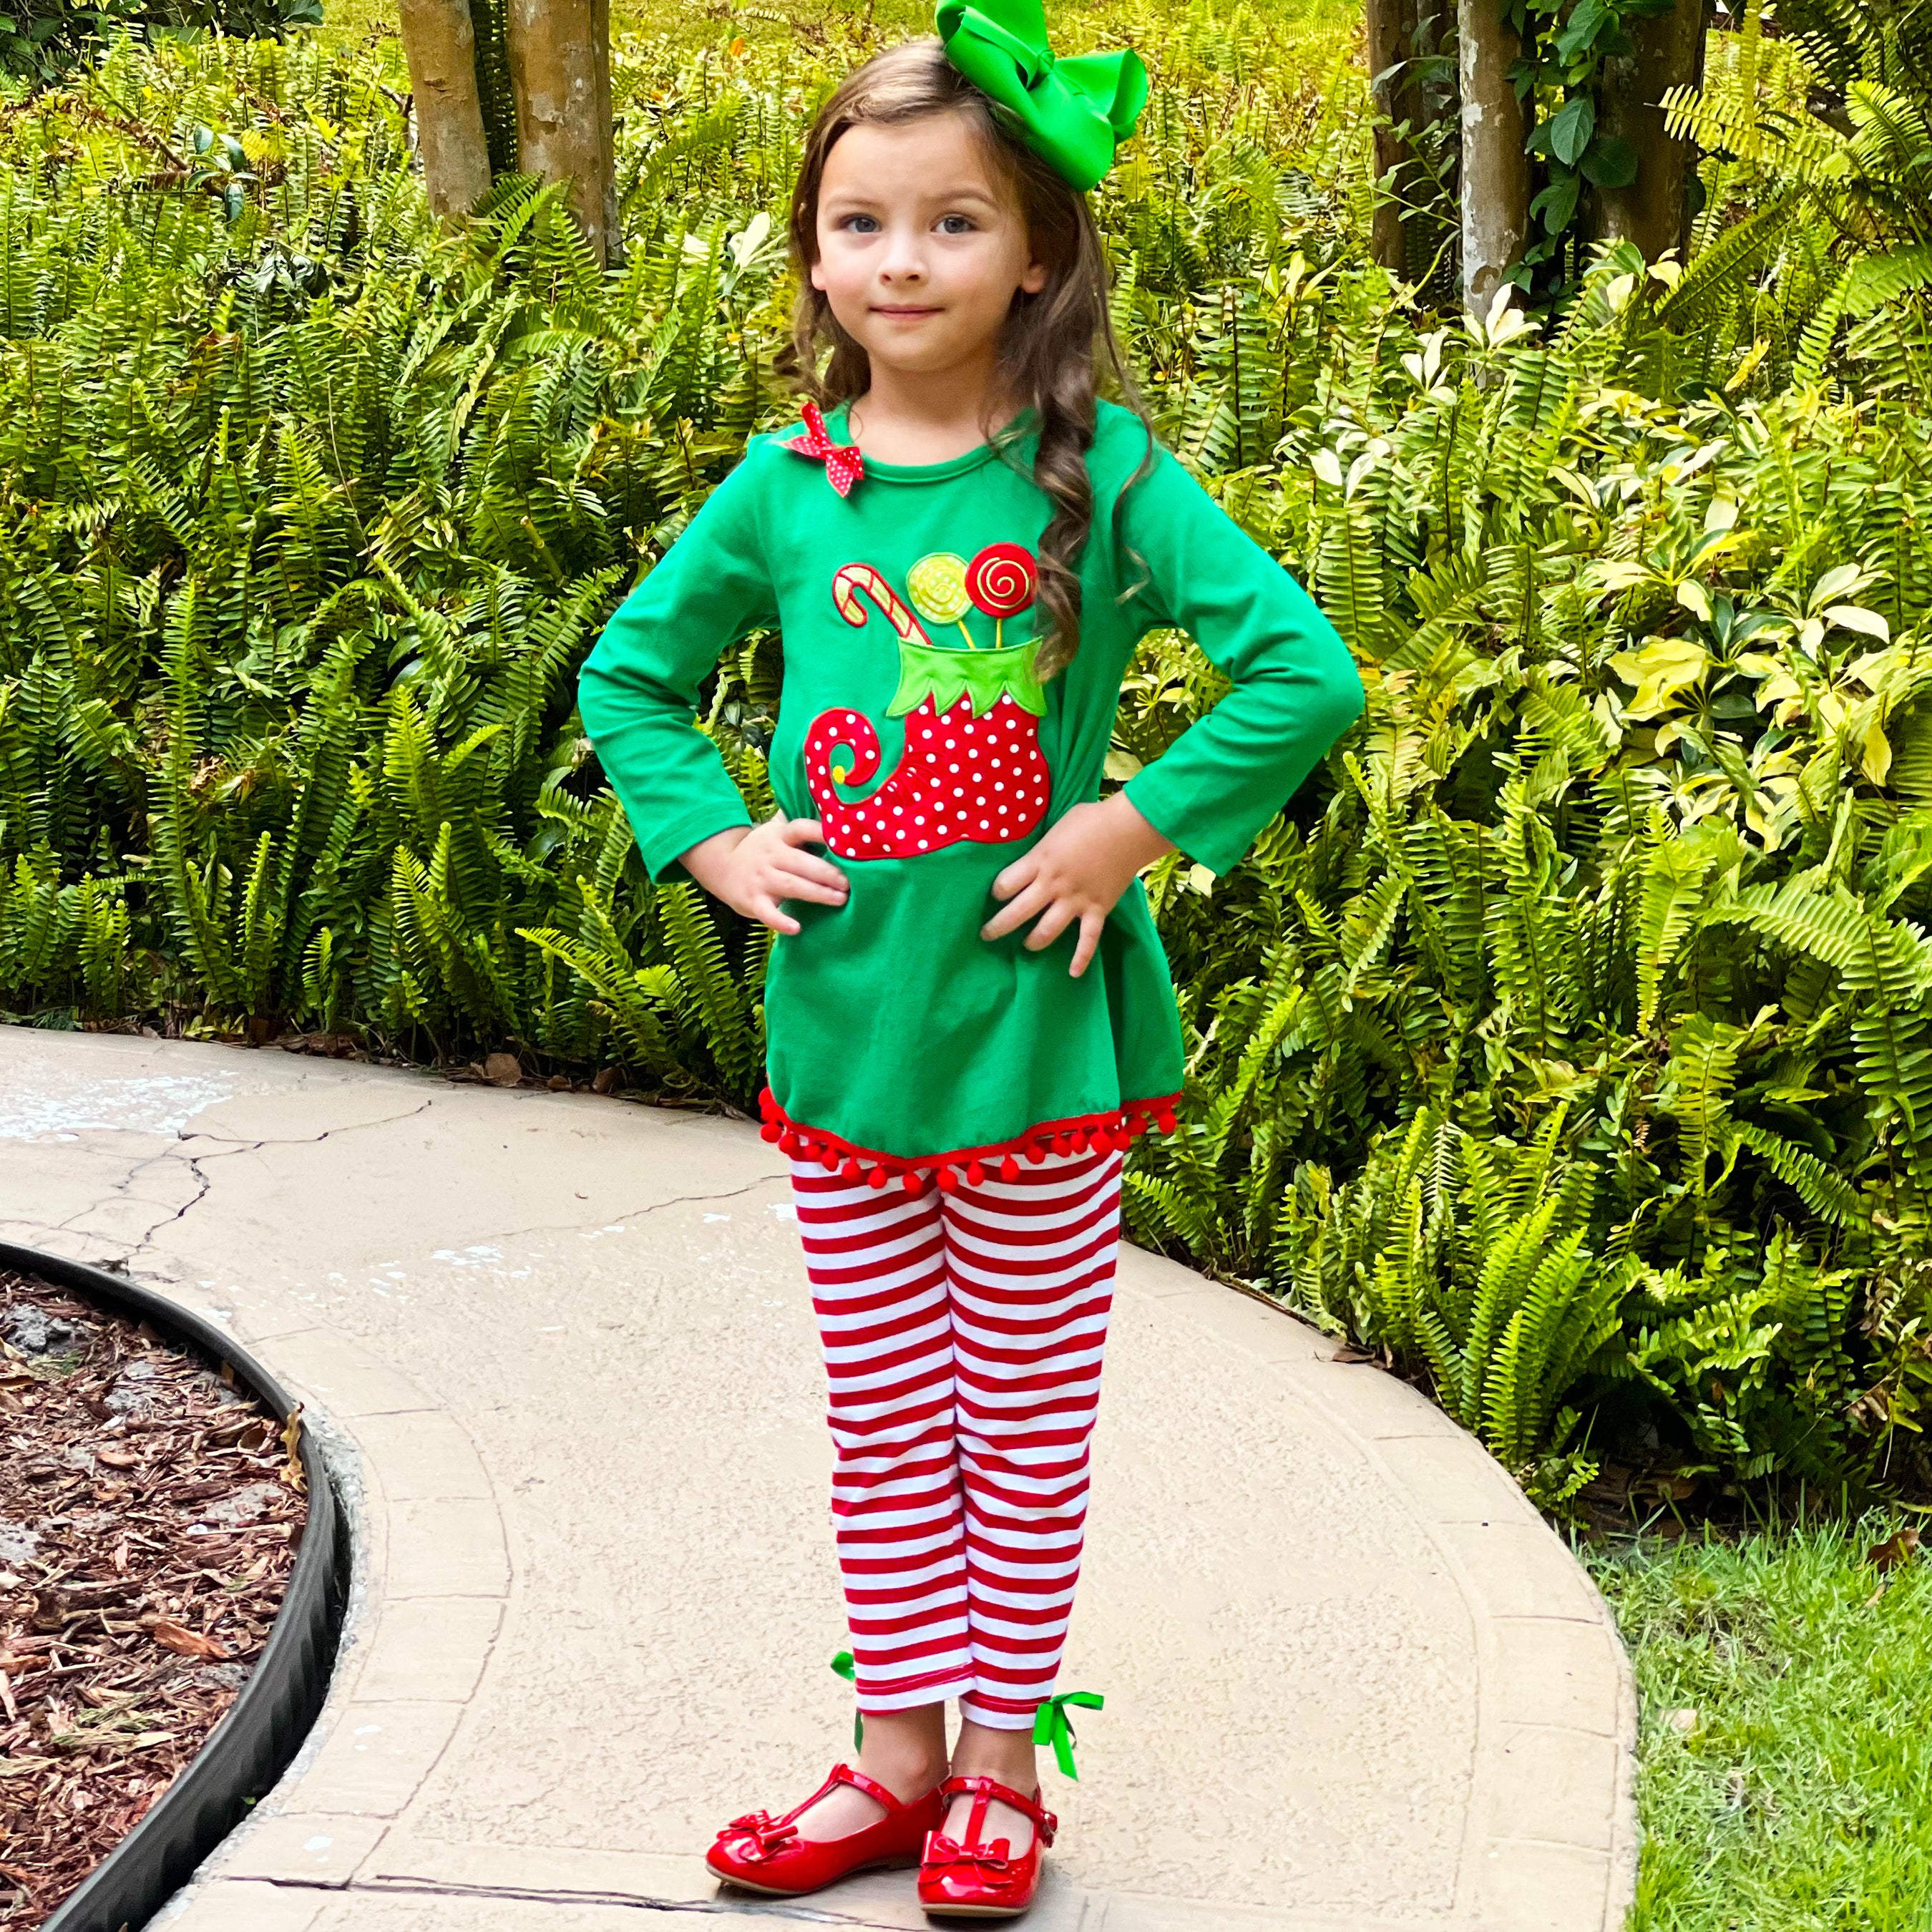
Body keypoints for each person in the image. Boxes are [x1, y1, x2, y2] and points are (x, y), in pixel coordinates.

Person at [576, 0, 1363, 1914]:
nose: (901, 261)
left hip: (1032, 1046)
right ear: (812, 252)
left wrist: (1128, 825)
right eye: (859, 222)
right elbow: (632, 675)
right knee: (881, 1420)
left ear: (1035, 252)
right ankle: (892, 1757)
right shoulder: (785, 486)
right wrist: (713, 836)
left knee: (1016, 1423)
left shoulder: (1104, 474)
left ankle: (1003, 1765)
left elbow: (1301, 671)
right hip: (851, 1035)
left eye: (950, 221)